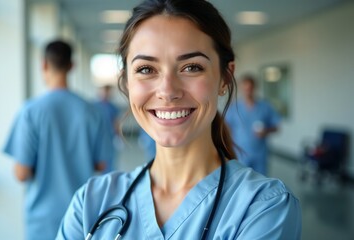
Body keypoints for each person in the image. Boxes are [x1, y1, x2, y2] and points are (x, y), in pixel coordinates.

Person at [56, 0, 301, 239]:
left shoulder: (263, 206)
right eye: (146, 69)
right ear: (126, 82)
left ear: (225, 78)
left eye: (191, 67)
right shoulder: (90, 203)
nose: (168, 90)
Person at [3, 40, 112, 240]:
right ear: (72, 65)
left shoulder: (31, 111)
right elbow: (101, 164)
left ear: (43, 64)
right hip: (82, 215)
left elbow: (21, 173)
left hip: (42, 221)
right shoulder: (93, 112)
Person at [225, 75, 281, 175]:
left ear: (255, 88)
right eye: (245, 88)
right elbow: (226, 127)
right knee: (242, 182)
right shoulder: (234, 107)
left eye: (250, 88)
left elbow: (276, 127)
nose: (248, 91)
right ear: (241, 89)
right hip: (240, 154)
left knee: (261, 182)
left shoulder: (265, 106)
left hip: (260, 154)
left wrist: (266, 131)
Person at [94, 84, 121, 172]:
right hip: (97, 137)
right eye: (104, 91)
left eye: (107, 91)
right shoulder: (94, 106)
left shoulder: (112, 107)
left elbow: (116, 122)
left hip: (109, 136)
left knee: (109, 160)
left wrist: (118, 136)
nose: (105, 94)